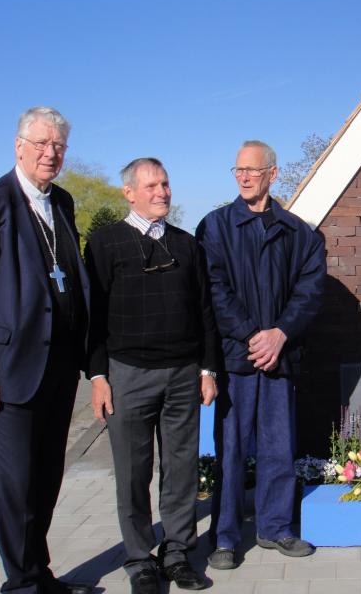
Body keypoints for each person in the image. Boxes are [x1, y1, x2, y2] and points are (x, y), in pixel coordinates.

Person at [0, 107, 92, 593]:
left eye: (59, 146)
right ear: (18, 146)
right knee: (15, 485)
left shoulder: (63, 203)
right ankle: (22, 586)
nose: (51, 153)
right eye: (42, 144)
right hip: (8, 371)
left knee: (48, 479)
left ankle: (38, 575)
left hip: (57, 368)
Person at [85, 158, 219, 594]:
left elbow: (205, 312)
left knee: (180, 470)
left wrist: (206, 368)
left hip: (182, 374)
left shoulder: (187, 245)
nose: (162, 192)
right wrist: (98, 375)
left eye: (165, 184)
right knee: (132, 471)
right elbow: (93, 317)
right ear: (129, 192)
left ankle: (178, 553)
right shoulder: (104, 244)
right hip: (128, 375)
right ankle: (140, 559)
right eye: (152, 186)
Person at [196, 140, 326, 570]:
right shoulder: (214, 227)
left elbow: (310, 292)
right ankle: (226, 537)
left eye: (252, 170)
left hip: (280, 359)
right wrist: (255, 336)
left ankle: (276, 527)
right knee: (230, 450)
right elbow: (215, 290)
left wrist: (281, 334)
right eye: (238, 170)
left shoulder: (299, 233)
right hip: (237, 360)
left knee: (278, 447)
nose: (244, 177)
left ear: (273, 173)